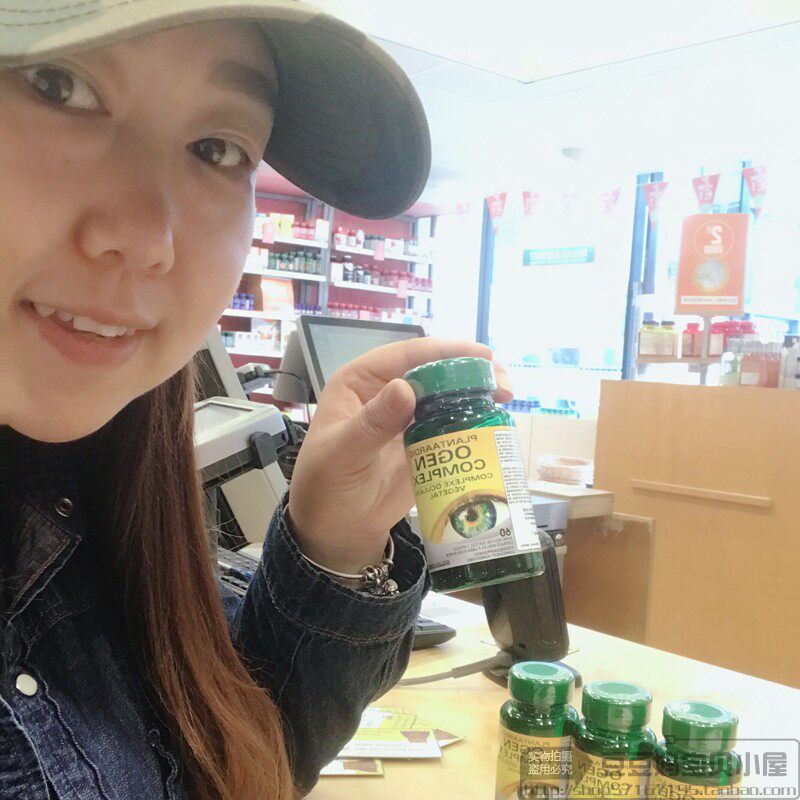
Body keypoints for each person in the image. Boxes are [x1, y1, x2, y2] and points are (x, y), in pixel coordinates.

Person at [0, 3, 511, 799]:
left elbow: (231, 759)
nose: (149, 238)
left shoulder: (95, 492)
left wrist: (334, 539)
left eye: (217, 147)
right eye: (58, 85)